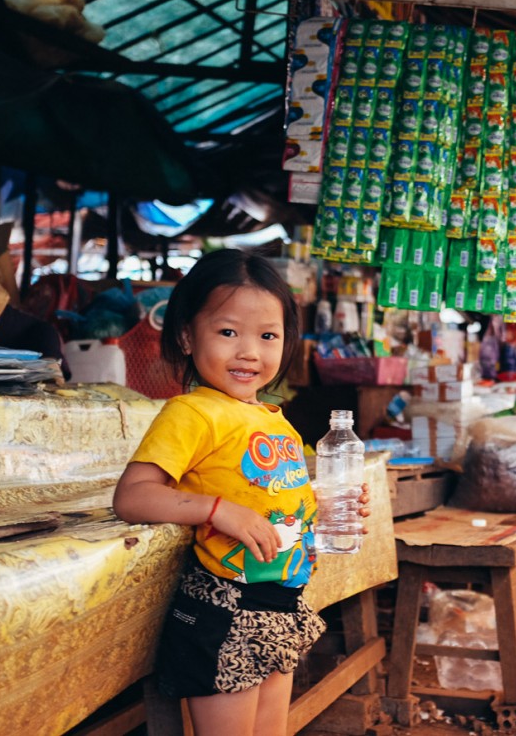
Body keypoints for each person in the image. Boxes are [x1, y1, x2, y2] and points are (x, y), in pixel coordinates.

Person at [112, 249, 369, 736]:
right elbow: (133, 496)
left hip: (280, 604)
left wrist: (328, 505)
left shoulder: (275, 420)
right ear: (188, 336)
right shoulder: (191, 412)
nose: (249, 351)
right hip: (226, 609)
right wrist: (218, 512)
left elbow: (273, 501)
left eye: (267, 336)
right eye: (228, 332)